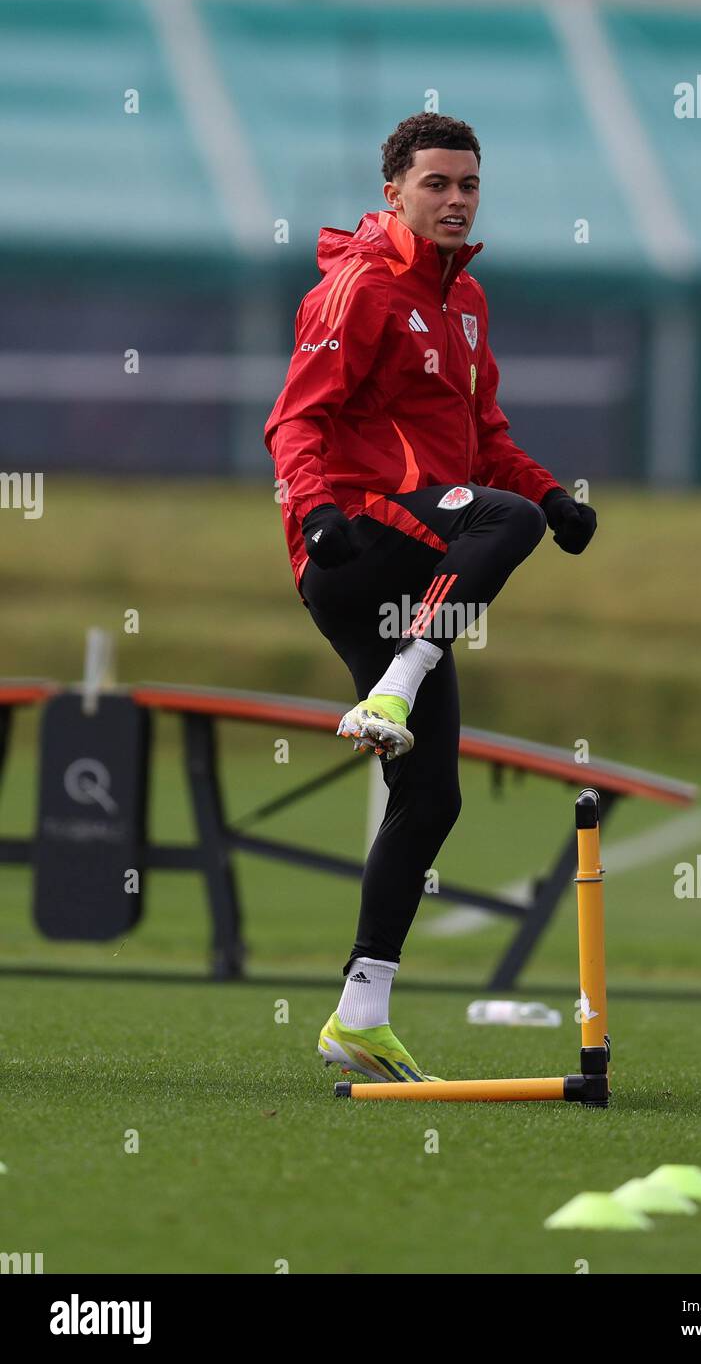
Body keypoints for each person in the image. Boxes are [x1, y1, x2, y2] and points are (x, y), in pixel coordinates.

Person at [264, 113, 596, 1082]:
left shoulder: (467, 302)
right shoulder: (360, 286)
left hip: (425, 558)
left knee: (432, 794)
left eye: (468, 185)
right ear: (394, 190)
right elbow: (294, 420)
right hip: (358, 538)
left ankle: (358, 1014)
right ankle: (397, 684)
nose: (455, 200)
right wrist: (316, 513)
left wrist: (547, 493)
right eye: (436, 184)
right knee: (501, 526)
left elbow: (483, 436)